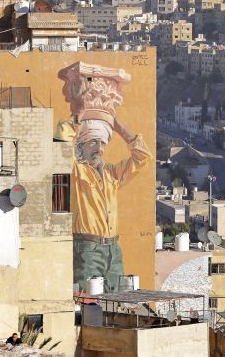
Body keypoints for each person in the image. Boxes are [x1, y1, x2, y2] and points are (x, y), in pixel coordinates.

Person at [57, 63, 152, 294]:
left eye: (102, 143)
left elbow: (142, 157)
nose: (99, 148)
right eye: (92, 142)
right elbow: (60, 145)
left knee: (117, 299)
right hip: (87, 247)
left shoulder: (112, 175)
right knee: (88, 299)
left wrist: (118, 126)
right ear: (81, 146)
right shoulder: (76, 171)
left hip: (113, 248)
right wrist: (78, 116)